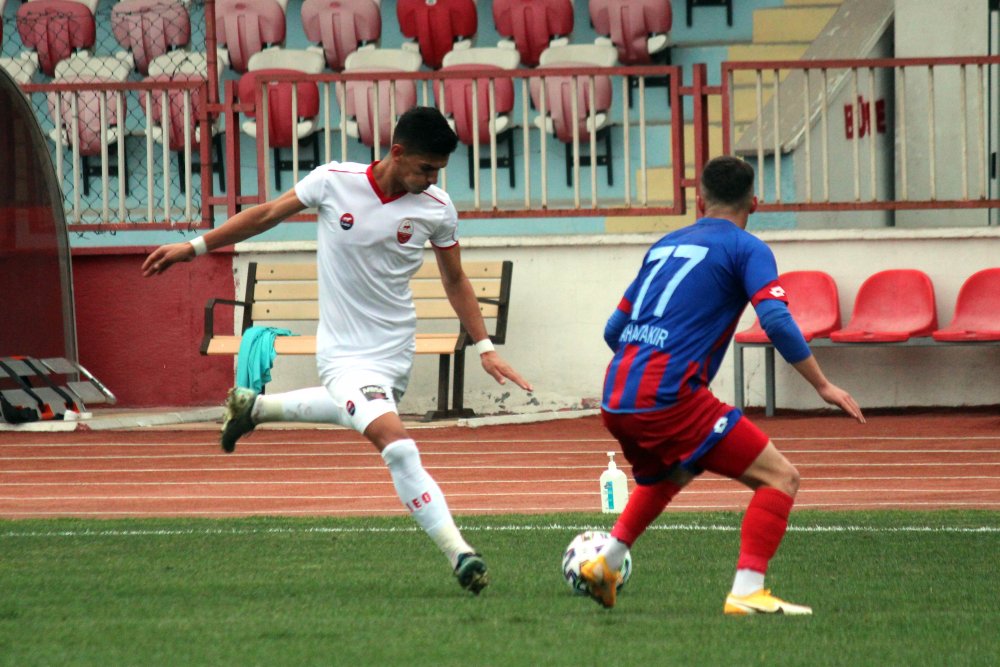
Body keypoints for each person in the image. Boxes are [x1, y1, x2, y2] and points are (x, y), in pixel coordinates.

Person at [142, 106, 533, 595]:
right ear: (397, 152)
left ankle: (255, 407)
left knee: (360, 409)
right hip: (344, 355)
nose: (433, 179)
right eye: (426, 168)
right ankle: (461, 554)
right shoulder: (333, 181)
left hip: (394, 352)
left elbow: (455, 279)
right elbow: (264, 214)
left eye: (438, 171)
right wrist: (195, 246)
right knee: (399, 445)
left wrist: (485, 347)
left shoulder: (436, 208)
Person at [579, 156, 865, 615]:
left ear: (699, 199)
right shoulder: (747, 248)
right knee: (781, 477)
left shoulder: (664, 245)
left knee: (674, 473)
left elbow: (615, 329)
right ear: (755, 201)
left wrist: (644, 367)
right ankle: (748, 591)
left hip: (617, 393)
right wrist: (823, 385)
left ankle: (605, 566)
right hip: (668, 394)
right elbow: (775, 319)